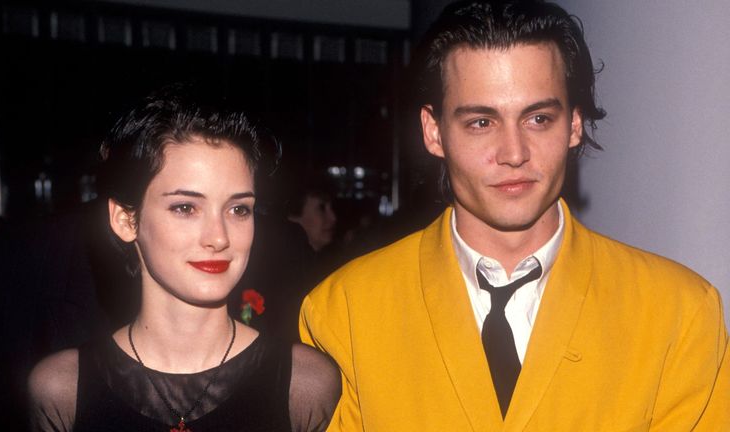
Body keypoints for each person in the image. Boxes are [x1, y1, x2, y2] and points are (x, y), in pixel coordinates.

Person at [299, 1, 729, 430]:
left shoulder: (679, 314)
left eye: (538, 118)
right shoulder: (344, 312)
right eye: (481, 123)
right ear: (434, 132)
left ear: (575, 124)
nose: (514, 153)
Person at [28, 84, 340, 432]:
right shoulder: (63, 388)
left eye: (238, 209)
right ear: (125, 220)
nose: (219, 237)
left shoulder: (307, 384)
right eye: (186, 207)